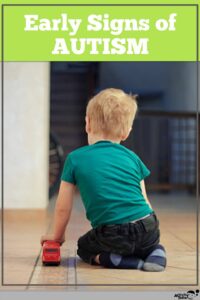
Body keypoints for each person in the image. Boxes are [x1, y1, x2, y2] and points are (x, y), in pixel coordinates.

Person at [41, 88, 167, 271]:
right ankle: (155, 251)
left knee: (84, 247)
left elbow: (62, 208)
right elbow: (144, 201)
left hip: (112, 234)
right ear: (126, 132)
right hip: (148, 227)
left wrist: (57, 237)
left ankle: (115, 259)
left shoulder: (75, 159)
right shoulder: (133, 157)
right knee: (148, 243)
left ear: (87, 124)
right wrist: (148, 233)